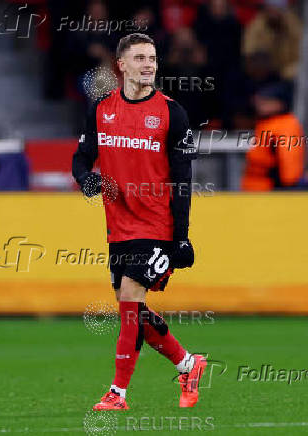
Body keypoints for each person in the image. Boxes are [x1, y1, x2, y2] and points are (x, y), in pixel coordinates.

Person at [72, 33, 207, 410]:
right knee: (132, 311)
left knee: (131, 298)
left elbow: (182, 181)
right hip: (119, 228)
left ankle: (117, 394)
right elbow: (81, 159)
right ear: (122, 65)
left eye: (153, 57)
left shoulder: (172, 113)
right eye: (141, 58)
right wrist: (87, 181)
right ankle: (187, 363)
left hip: (157, 228)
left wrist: (181, 237)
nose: (149, 64)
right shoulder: (102, 110)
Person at [242, 81, 305, 191]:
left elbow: (290, 166)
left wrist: (288, 188)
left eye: (266, 101)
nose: (260, 104)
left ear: (280, 103)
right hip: (256, 190)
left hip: (271, 193)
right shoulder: (267, 123)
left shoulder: (286, 125)